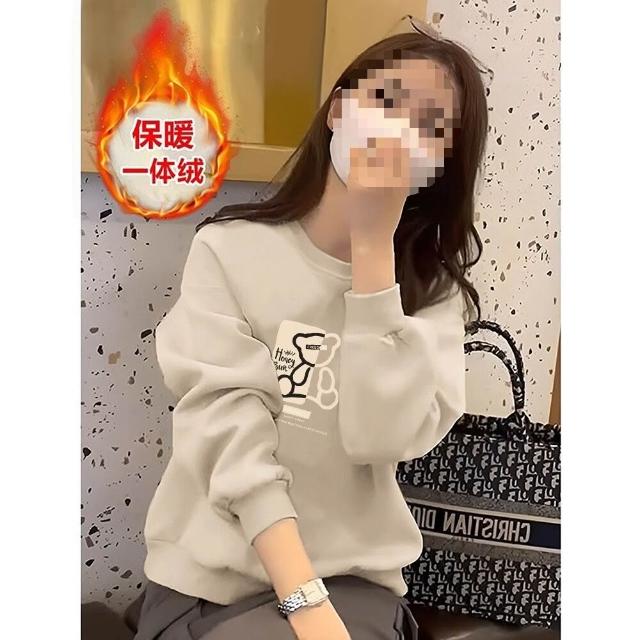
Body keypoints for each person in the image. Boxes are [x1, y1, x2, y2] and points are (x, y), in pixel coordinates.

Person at [132, 24, 488, 640]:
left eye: (430, 125)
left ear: (442, 165)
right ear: (339, 110)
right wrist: (303, 601)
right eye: (387, 100)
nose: (397, 130)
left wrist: (373, 254)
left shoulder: (434, 298)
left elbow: (380, 437)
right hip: (209, 583)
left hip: (350, 581)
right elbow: (228, 436)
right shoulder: (228, 251)